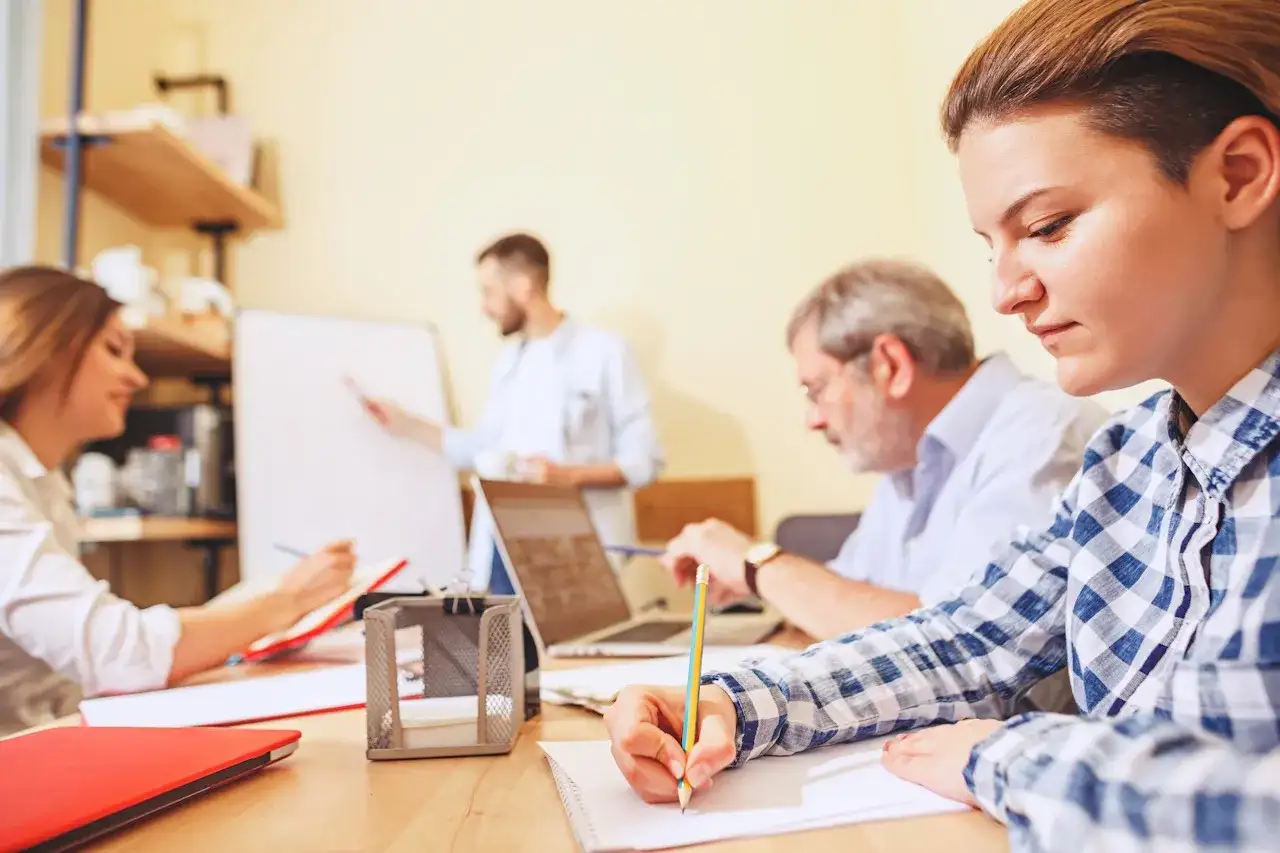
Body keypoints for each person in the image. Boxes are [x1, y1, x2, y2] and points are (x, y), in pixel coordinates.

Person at [603, 1, 1280, 849]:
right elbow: (972, 635)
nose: (1006, 292)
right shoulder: (1128, 461)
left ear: (1240, 174)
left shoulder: (1052, 436)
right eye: (990, 246)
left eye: (1047, 226)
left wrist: (1006, 758)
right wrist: (738, 704)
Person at [661, 258, 1107, 641]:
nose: (812, 420)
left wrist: (757, 563)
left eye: (816, 390)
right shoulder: (909, 461)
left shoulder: (1043, 434)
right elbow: (855, 593)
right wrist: (757, 583)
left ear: (889, 366)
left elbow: (957, 643)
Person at [0, 266, 358, 736]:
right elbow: (116, 654)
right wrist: (285, 602)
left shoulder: (46, 484)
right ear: (43, 347)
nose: (136, 376)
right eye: (112, 350)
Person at [360, 232, 664, 593]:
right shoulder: (509, 363)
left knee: (568, 648)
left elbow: (644, 462)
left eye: (488, 292)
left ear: (522, 287)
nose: (484, 307)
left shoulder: (605, 353)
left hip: (576, 552)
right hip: (504, 550)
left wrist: (563, 476)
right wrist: (405, 424)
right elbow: (482, 449)